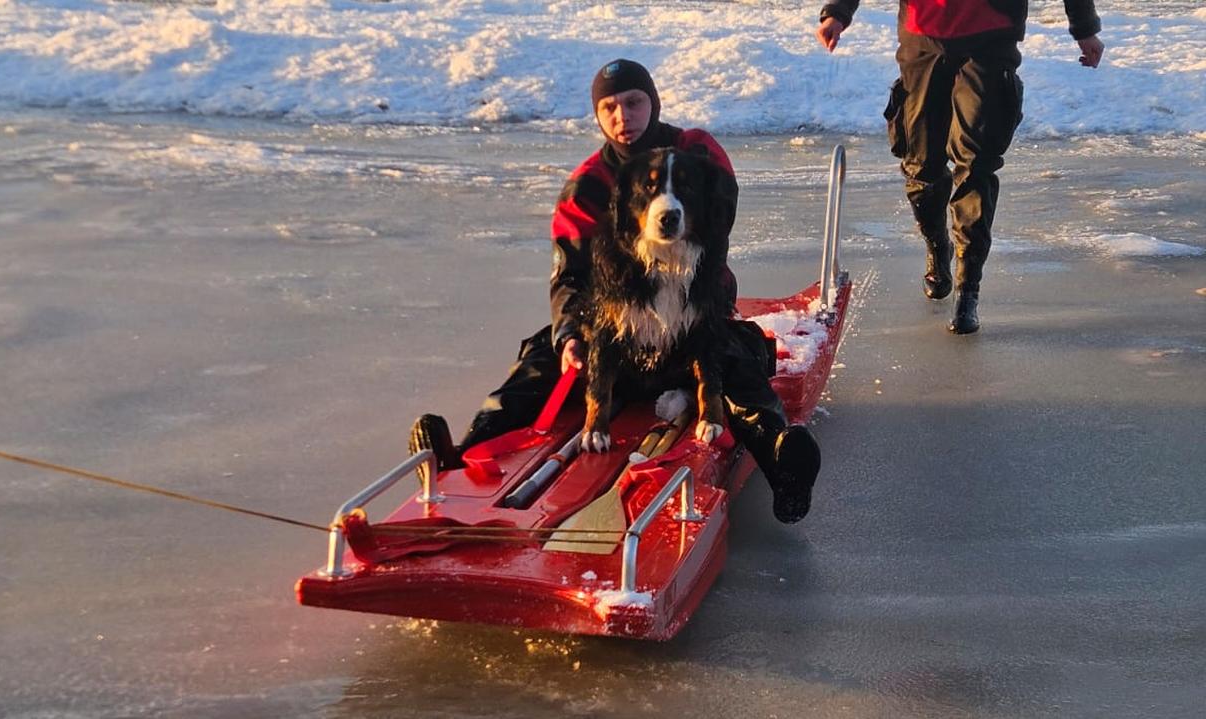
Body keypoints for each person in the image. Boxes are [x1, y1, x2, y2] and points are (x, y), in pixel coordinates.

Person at [409, 59, 822, 523]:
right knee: (539, 358)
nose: (623, 116)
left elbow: (719, 218)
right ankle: (462, 452)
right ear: (598, 115)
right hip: (619, 328)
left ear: (653, 102)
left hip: (692, 316)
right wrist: (569, 335)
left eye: (633, 102)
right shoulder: (587, 184)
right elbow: (569, 274)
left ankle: (783, 460)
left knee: (732, 358)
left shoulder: (694, 152)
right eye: (610, 107)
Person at [815, 0, 1104, 333]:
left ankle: (968, 288)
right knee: (921, 168)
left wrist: (1084, 29)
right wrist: (838, 13)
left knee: (977, 164)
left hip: (991, 40)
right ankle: (938, 247)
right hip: (922, 39)